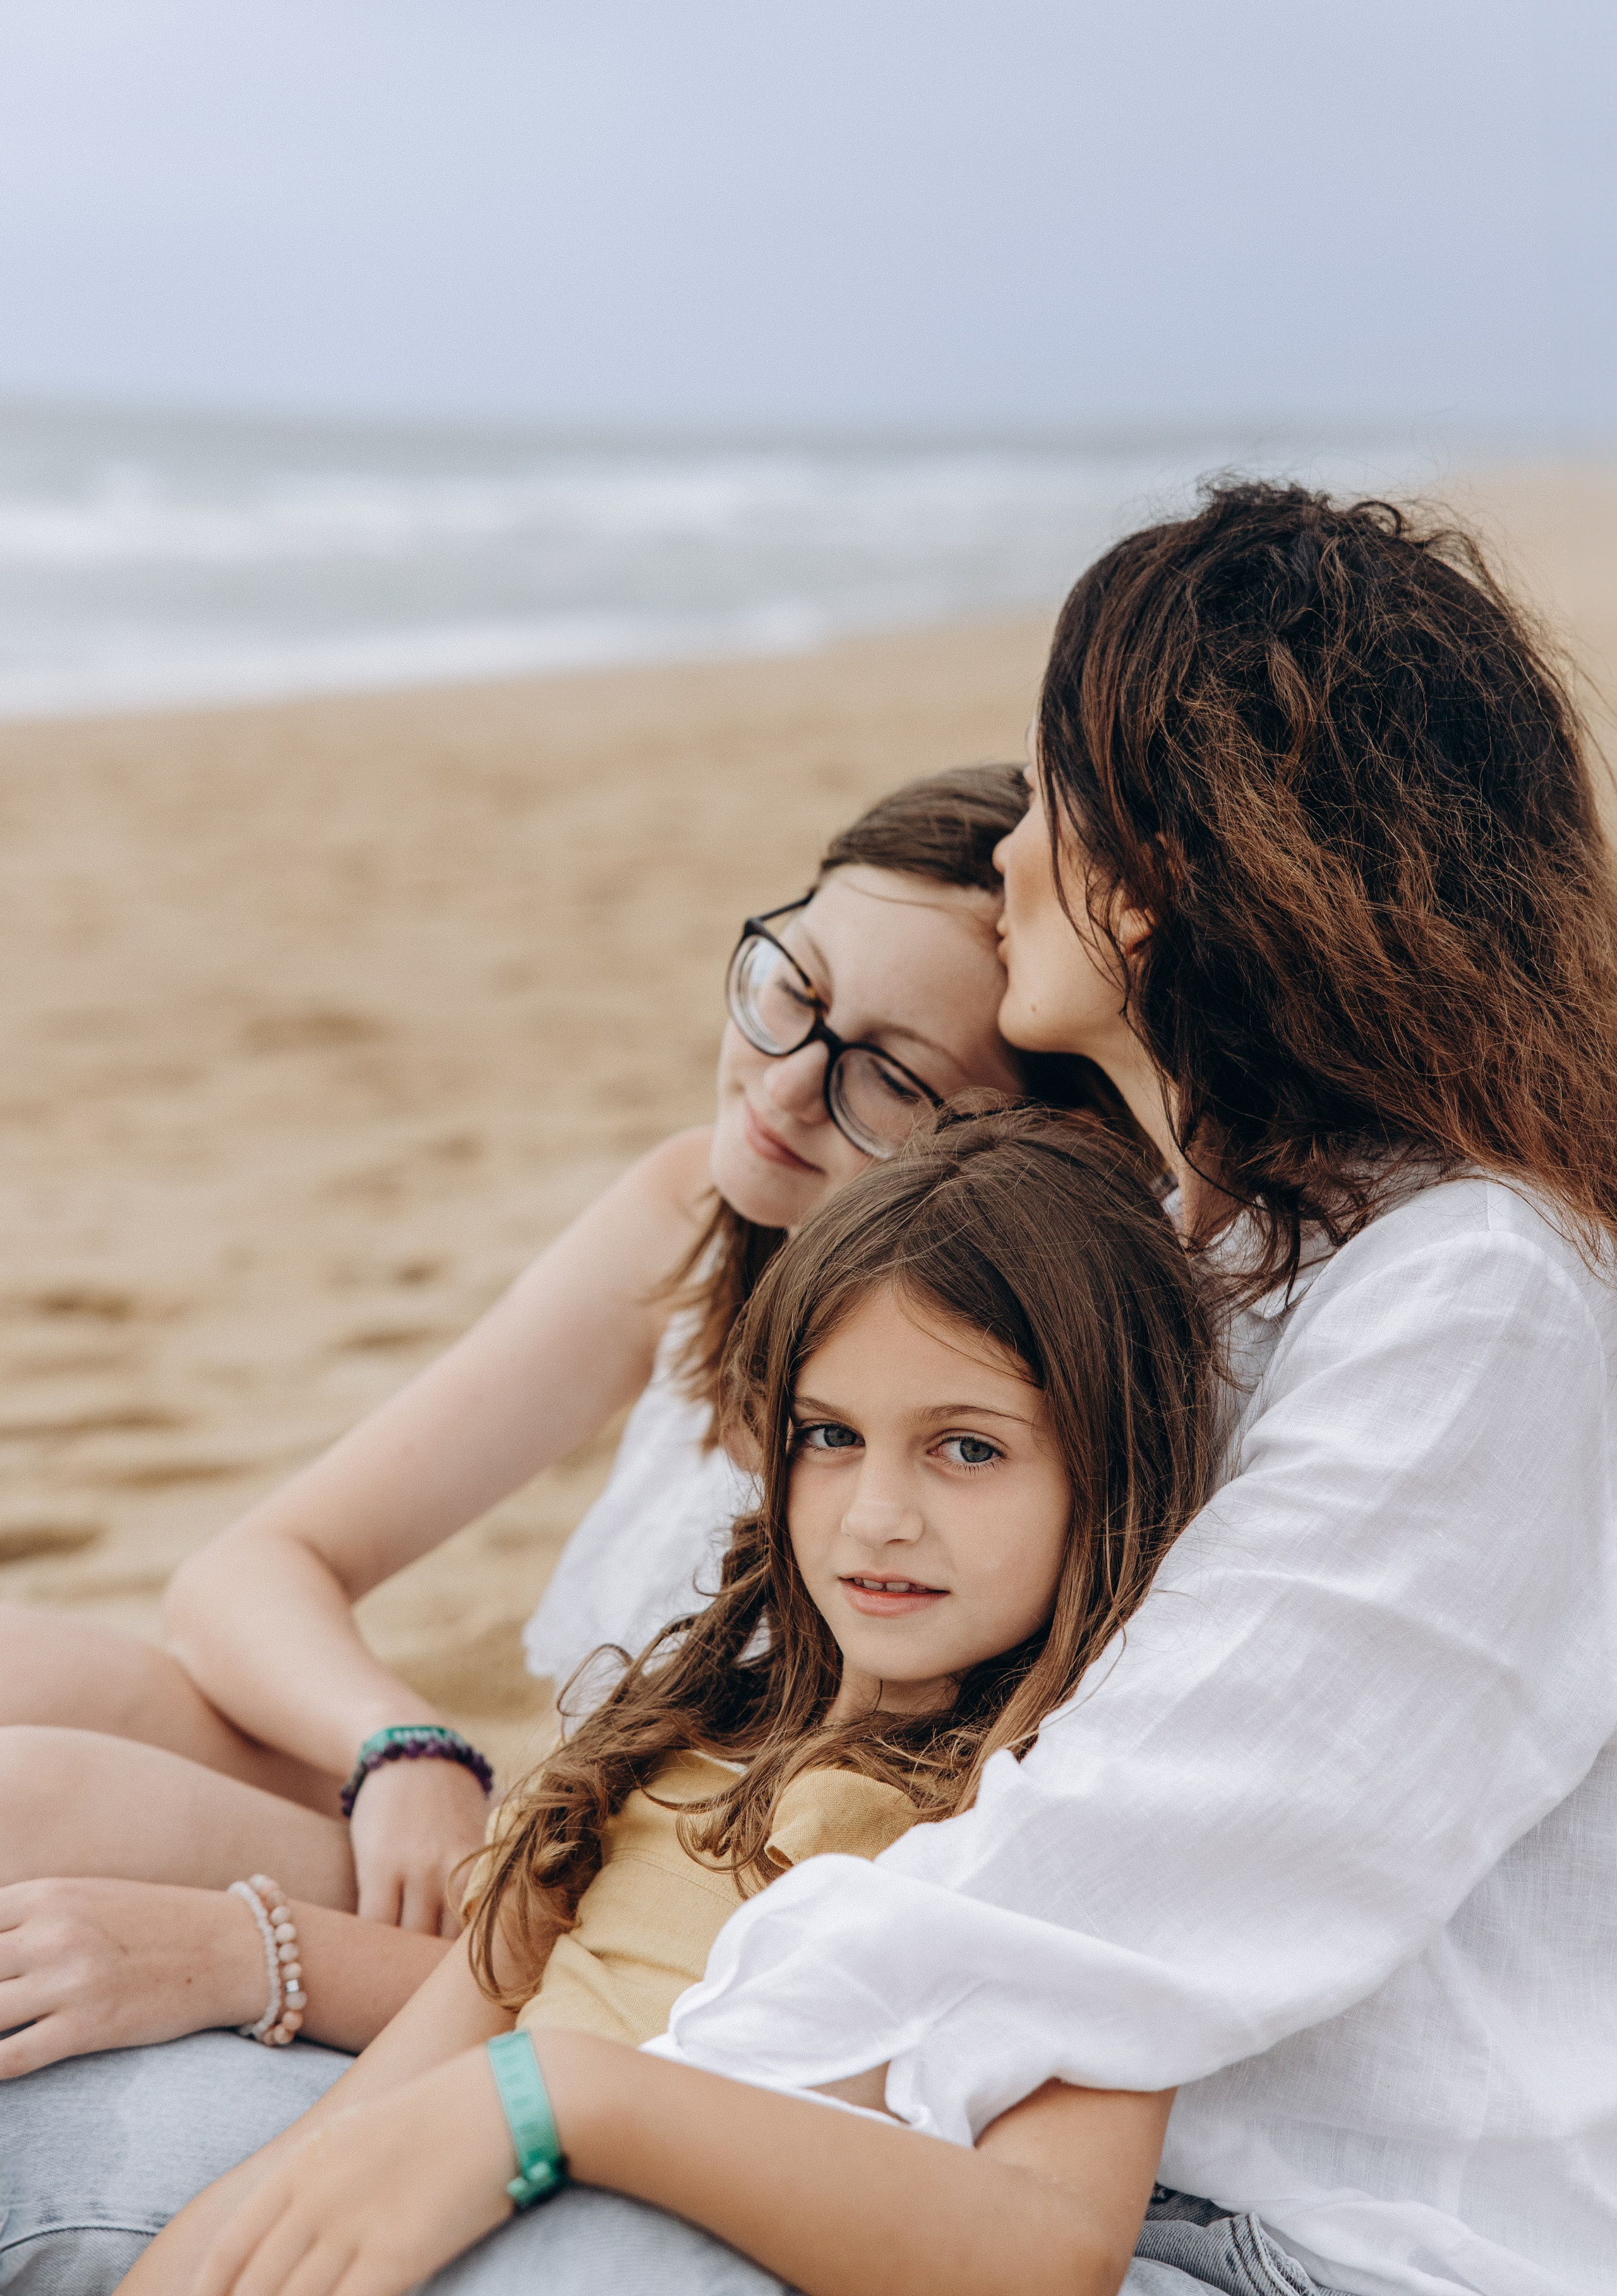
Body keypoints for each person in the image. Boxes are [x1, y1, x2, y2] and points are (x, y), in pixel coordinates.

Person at [10, 477, 1613, 2296]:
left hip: (1282, 2238)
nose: (1014, 852)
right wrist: (465, 2048)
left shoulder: (1474, 1291)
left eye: (1055, 796)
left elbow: (1089, 1885)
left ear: (1160, 876)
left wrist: (543, 2084)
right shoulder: (1202, 1251)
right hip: (876, 2094)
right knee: (51, 2126)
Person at [0, 763, 1114, 2074]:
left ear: (1005, 1141)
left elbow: (737, 1949)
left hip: (629, 1930)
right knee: (34, 1668)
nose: (782, 1086)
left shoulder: (993, 1403)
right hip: (524, 1823)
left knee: (35, 1797)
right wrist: (398, 1744)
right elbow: (249, 1570)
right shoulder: (697, 1216)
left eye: (884, 1075)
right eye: (790, 989)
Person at [16, 1111, 1215, 2296]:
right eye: (832, 1435)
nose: (876, 1514)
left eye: (967, 1449)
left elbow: (1051, 2251)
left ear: (1111, 1465)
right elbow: (354, 2129)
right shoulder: (674, 1748)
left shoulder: (1065, 1810)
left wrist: (575, 2102)